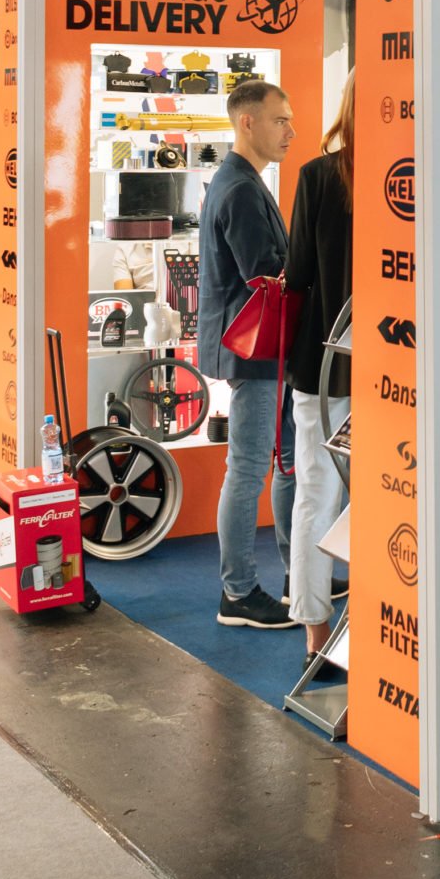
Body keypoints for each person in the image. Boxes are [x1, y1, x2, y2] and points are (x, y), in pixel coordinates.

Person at [197, 77, 298, 629]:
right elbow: (266, 273)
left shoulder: (243, 181)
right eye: (280, 121)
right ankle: (237, 593)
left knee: (285, 462)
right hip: (254, 351)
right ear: (247, 122)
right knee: (250, 468)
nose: (290, 132)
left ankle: (299, 573)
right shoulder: (238, 187)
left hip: (266, 350)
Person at [283, 71, 354, 658]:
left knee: (316, 491)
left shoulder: (317, 176)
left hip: (325, 365)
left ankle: (314, 632)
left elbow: (298, 273)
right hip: (402, 367)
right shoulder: (423, 176)